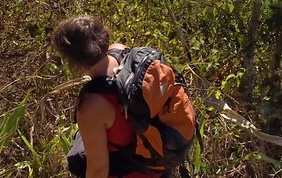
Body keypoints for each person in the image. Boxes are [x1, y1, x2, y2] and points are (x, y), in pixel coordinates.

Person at [51, 15, 196, 178]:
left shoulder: (91, 106)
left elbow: (98, 170)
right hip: (158, 165)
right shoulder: (121, 51)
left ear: (72, 59)